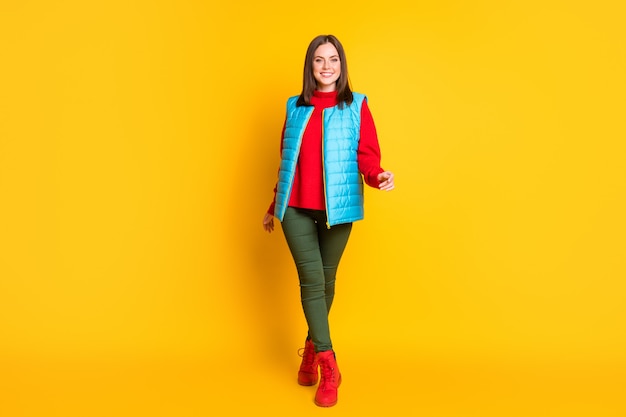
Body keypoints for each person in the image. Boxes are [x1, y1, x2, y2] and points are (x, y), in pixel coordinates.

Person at [262, 34, 394, 407]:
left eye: (332, 59)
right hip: (295, 210)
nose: (326, 67)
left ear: (342, 65)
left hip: (338, 209)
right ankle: (329, 363)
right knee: (312, 279)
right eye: (319, 60)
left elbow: (367, 155)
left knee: (327, 281)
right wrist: (274, 204)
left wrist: (378, 175)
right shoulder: (294, 107)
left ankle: (309, 348)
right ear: (310, 67)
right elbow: (286, 160)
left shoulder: (357, 106)